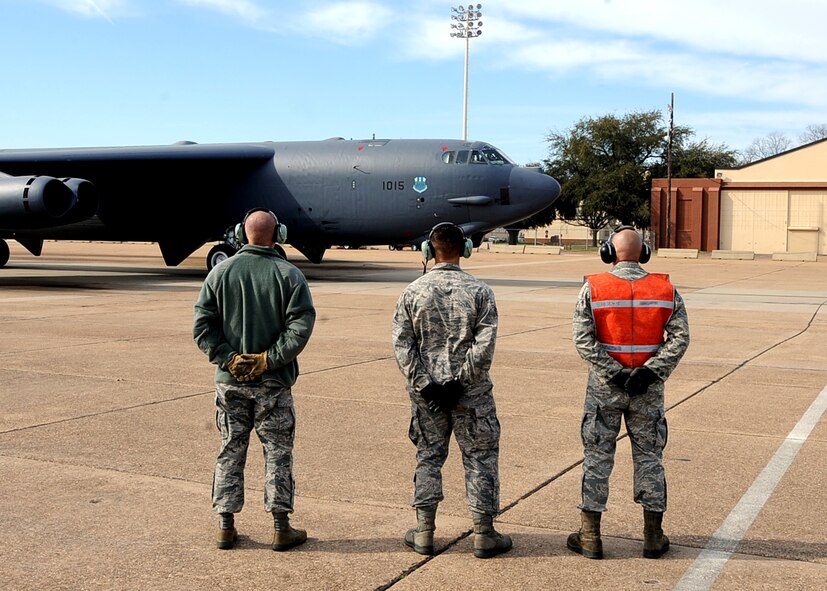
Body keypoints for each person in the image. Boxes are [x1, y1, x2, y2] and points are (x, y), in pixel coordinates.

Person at [193, 208, 316, 551]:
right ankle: (280, 527)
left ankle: (225, 526)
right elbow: (301, 326)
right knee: (278, 452)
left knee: (230, 448)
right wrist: (268, 360)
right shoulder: (289, 275)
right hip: (273, 384)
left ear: (240, 233)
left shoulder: (219, 273)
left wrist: (229, 359)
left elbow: (202, 327)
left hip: (229, 383)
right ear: (280, 234)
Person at [392, 222, 512, 559]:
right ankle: (484, 533)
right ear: (466, 249)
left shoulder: (413, 292)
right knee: (480, 458)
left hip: (427, 398)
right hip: (471, 395)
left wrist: (426, 385)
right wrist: (461, 382)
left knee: (428, 457)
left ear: (429, 252)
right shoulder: (480, 291)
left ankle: (425, 532)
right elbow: (484, 345)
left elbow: (403, 345)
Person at [568, 226, 689, 560]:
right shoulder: (665, 289)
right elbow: (679, 338)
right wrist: (650, 371)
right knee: (650, 458)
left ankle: (590, 536)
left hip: (605, 389)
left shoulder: (594, 287)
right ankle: (653, 536)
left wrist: (614, 371)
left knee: (597, 457)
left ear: (609, 251)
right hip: (647, 390)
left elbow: (583, 338)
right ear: (644, 252)